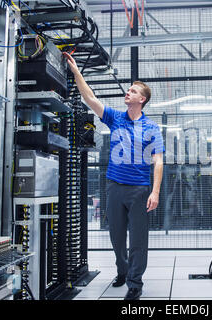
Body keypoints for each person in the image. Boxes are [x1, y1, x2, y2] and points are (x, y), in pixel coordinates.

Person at [63, 52, 164, 300]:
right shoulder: (115, 118)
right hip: (115, 187)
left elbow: (158, 161)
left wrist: (155, 192)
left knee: (138, 241)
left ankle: (135, 284)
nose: (127, 93)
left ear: (142, 99)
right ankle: (123, 269)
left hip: (140, 190)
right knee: (117, 237)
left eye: (132, 91)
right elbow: (89, 98)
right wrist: (77, 72)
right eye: (128, 90)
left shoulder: (151, 128)